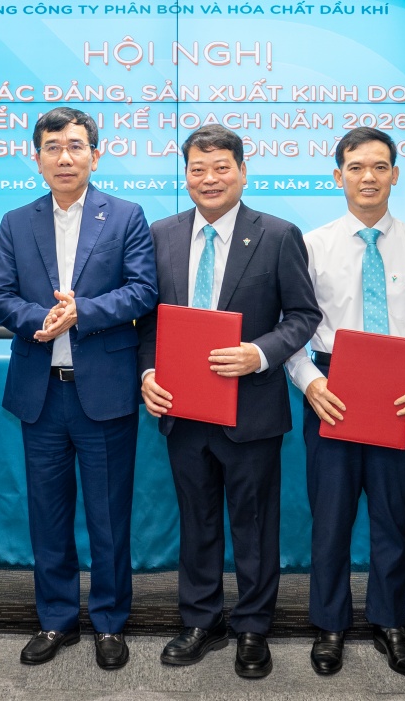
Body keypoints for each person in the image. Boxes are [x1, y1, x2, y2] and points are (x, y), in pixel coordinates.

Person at [138, 123, 320, 680]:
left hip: (251, 409)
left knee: (254, 524)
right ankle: (200, 620)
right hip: (183, 408)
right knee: (196, 522)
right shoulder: (160, 234)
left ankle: (253, 627)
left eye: (221, 167)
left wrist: (259, 354)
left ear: (243, 172)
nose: (209, 178)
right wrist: (147, 371)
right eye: (198, 169)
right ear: (186, 175)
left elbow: (303, 316)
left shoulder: (279, 234)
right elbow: (146, 320)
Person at [0, 107, 158, 671]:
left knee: (109, 516)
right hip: (41, 394)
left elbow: (143, 291)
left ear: (95, 155)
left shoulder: (126, 216)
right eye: (53, 147)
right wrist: (42, 318)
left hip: (104, 392)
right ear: (36, 158)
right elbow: (2, 297)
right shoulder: (16, 221)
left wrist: (81, 311)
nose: (65, 157)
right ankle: (56, 618)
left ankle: (109, 621)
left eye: (76, 146)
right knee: (48, 514)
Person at [285, 127, 405, 679]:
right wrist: (310, 383)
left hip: (398, 394)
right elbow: (294, 328)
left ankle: (390, 621)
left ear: (396, 175)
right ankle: (329, 624)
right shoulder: (312, 246)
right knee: (330, 518)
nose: (368, 177)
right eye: (356, 167)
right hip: (331, 389)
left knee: (391, 517)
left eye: (380, 166)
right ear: (339, 176)